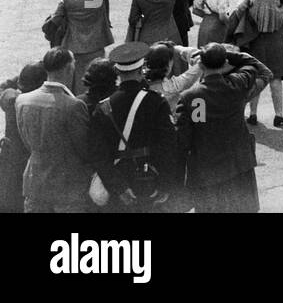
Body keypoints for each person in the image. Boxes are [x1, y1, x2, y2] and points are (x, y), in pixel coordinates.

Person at [175, 43, 272, 213]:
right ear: (225, 63)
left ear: (201, 65)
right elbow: (263, 70)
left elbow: (183, 139)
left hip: (206, 169)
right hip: (239, 164)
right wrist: (227, 54)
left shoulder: (190, 97)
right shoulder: (238, 84)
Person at [88, 42, 180, 210]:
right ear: (141, 70)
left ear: (117, 71)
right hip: (150, 179)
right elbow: (169, 146)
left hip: (118, 182)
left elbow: (98, 155)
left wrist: (119, 188)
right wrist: (166, 185)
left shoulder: (103, 107)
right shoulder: (156, 102)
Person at [14, 48, 93, 212]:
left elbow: (26, 140)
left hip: (34, 183)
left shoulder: (22, 100)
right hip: (68, 188)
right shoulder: (74, 105)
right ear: (68, 69)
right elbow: (84, 149)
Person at [51, 0, 126, 92]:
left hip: (74, 45)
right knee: (98, 79)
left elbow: (55, 20)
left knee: (77, 81)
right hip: (97, 43)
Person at [0, 62, 47, 213]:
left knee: (8, 196)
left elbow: (4, 88)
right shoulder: (37, 103)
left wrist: (19, 78)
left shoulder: (10, 97)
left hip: (10, 154)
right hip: (29, 156)